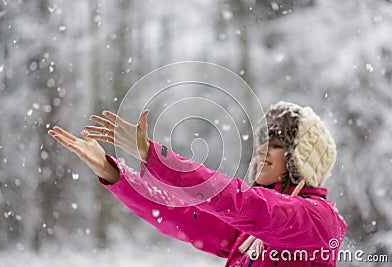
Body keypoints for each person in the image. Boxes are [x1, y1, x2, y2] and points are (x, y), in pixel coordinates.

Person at [48, 101, 346, 267]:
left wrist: (152, 154)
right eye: (262, 142)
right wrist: (113, 173)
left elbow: (238, 201)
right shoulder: (250, 235)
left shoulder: (318, 220)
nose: (261, 150)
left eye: (276, 144)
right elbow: (181, 214)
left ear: (300, 158)